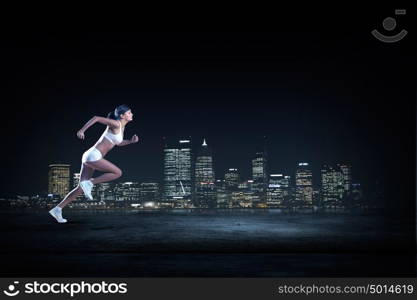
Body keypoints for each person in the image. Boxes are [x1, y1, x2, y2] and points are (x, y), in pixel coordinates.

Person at [49, 104, 139, 223]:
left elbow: (118, 142)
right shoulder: (116, 123)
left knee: (80, 188)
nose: (131, 114)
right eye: (129, 112)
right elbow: (96, 118)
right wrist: (82, 130)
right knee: (117, 173)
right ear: (122, 116)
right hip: (93, 156)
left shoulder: (121, 127)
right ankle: (90, 183)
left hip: (90, 156)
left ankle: (57, 209)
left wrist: (130, 142)